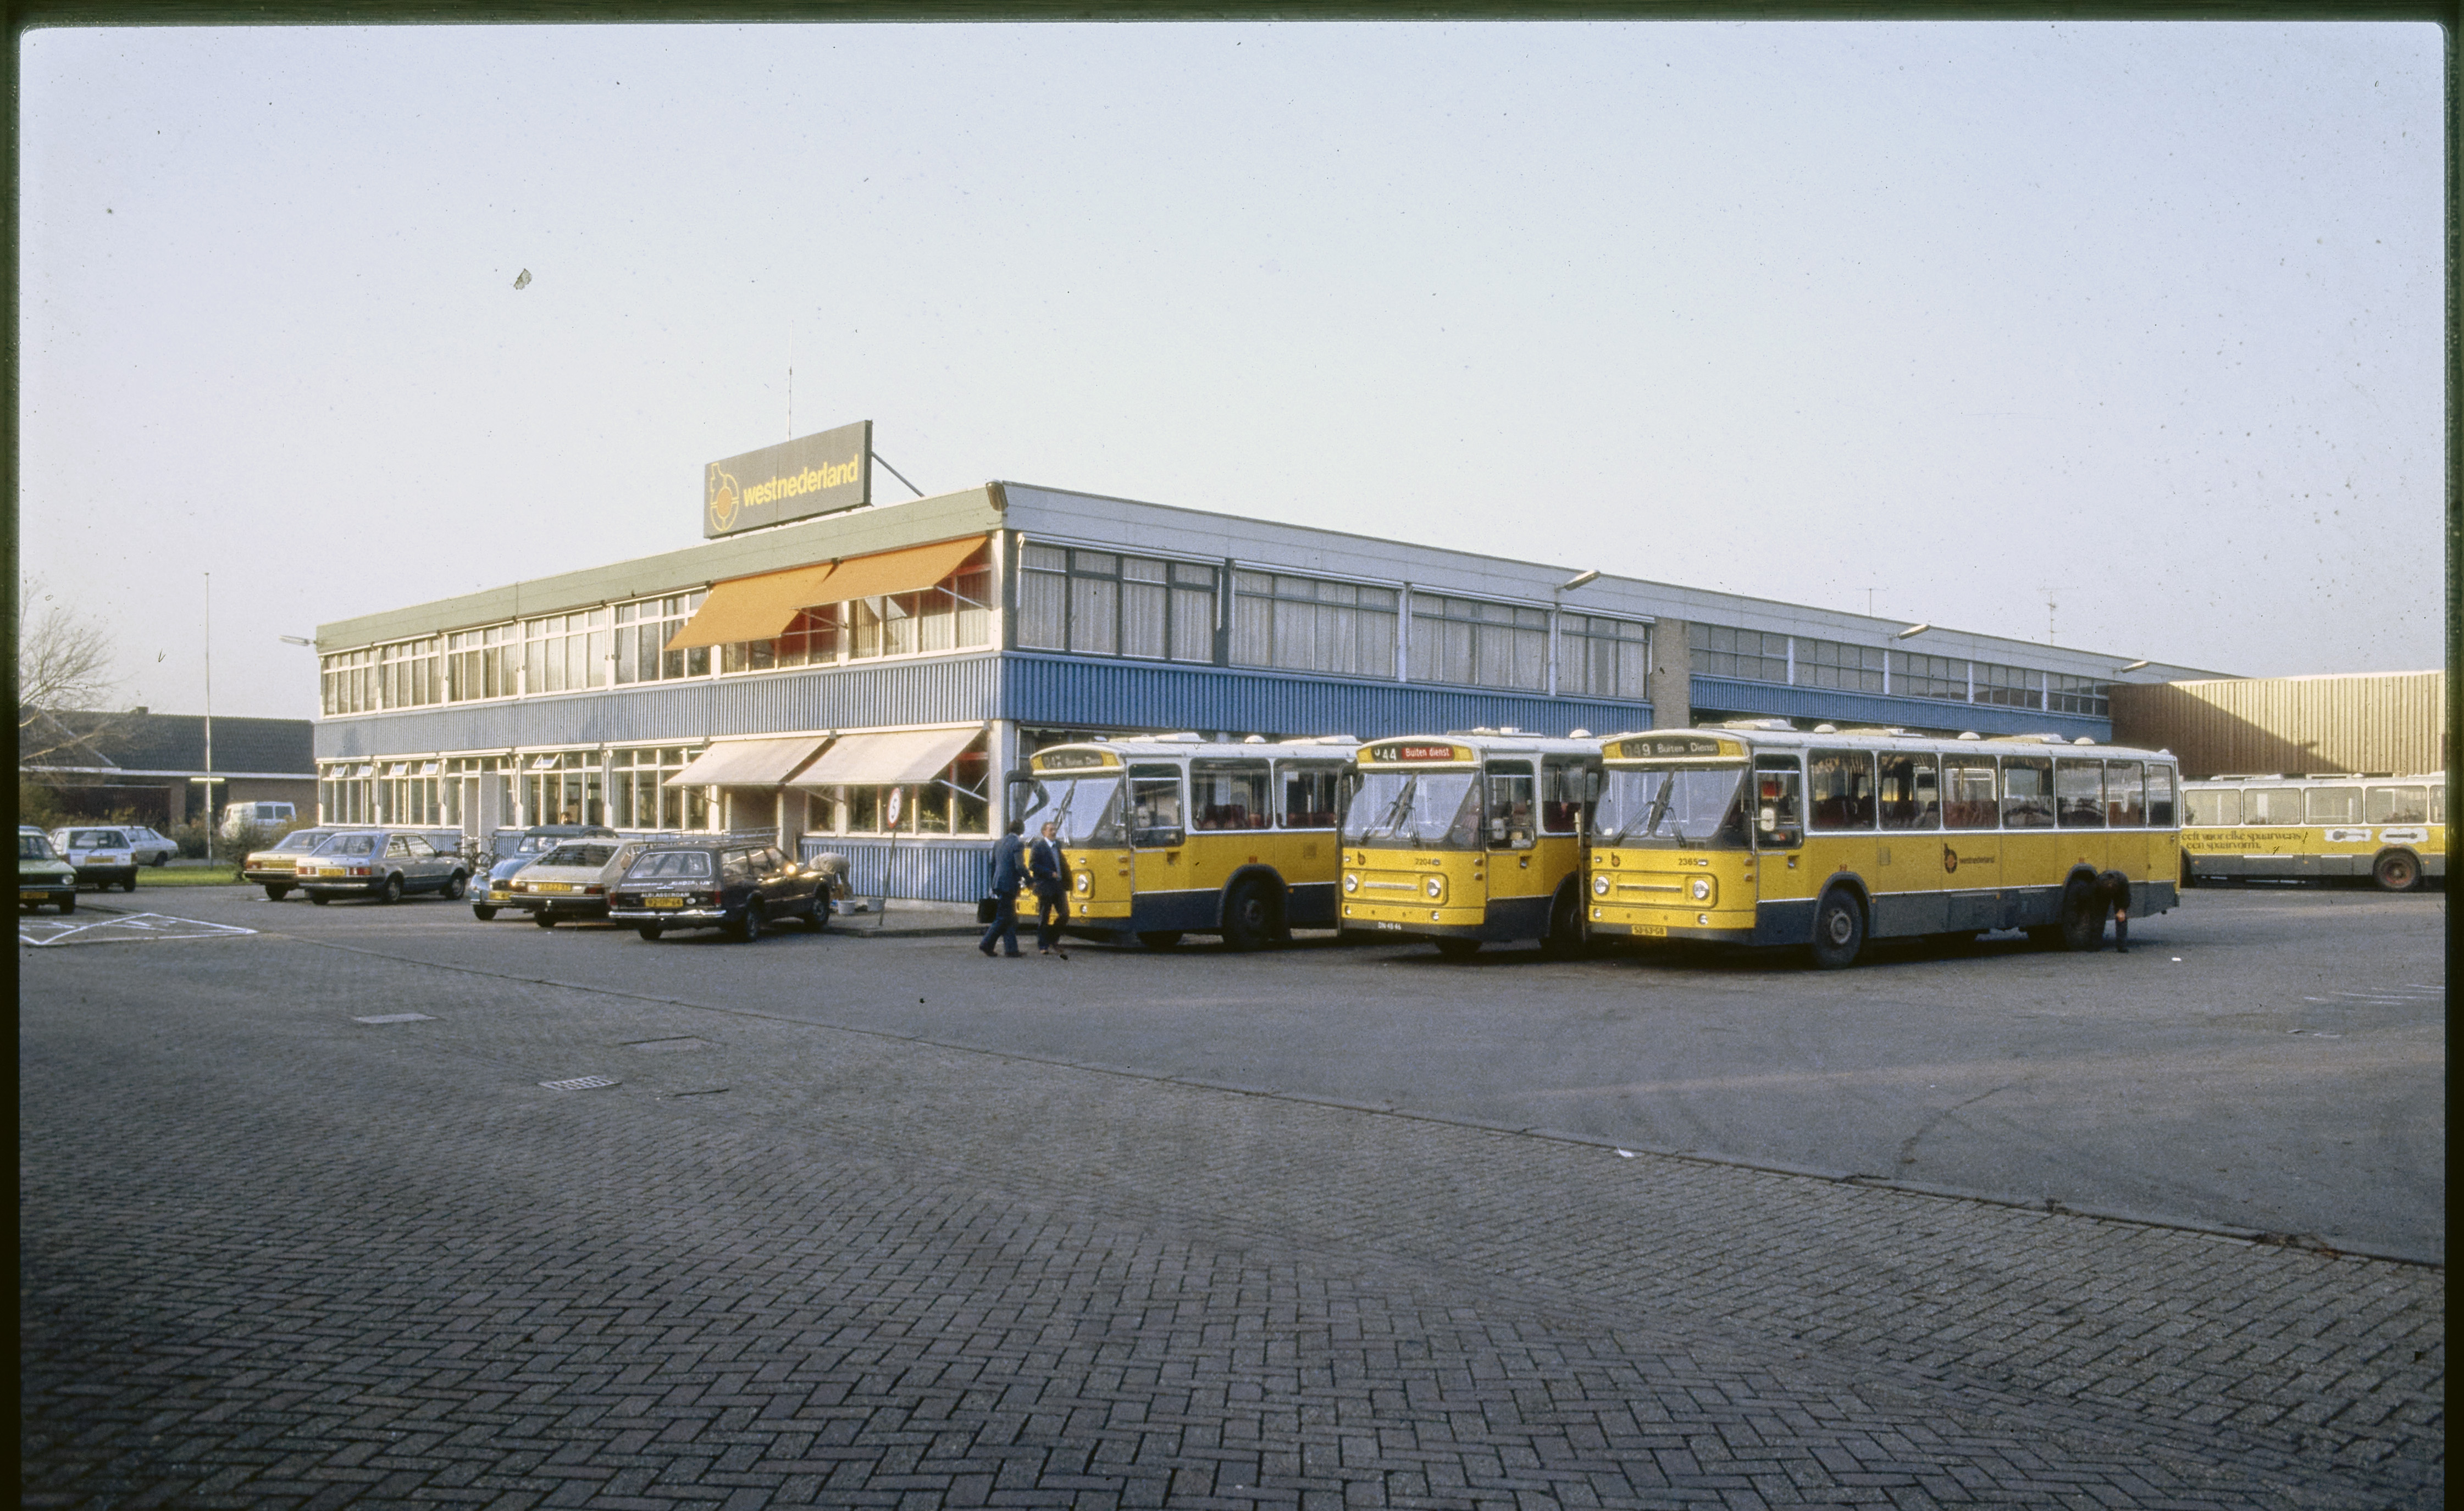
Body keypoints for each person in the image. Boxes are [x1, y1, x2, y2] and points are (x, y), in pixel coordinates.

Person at [978, 820, 1027, 958]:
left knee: (1009, 917)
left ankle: (1011, 949)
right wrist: (1029, 880)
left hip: (999, 883)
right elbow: (1019, 866)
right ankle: (986, 944)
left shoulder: (998, 843)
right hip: (1009, 885)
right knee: (1002, 918)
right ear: (1022, 831)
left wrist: (993, 884)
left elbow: (993, 865)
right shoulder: (1018, 844)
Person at [1028, 819, 1070, 959]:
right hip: (1045, 886)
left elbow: (1062, 864)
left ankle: (1053, 938)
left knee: (1065, 914)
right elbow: (1033, 865)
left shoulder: (1057, 845)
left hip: (1058, 886)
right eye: (1051, 830)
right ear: (1044, 832)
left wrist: (1067, 880)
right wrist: (1049, 873)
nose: (1054, 832)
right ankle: (1043, 945)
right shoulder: (1038, 846)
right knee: (1044, 916)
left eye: (1055, 829)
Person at [2098, 869, 2131, 953]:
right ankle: (2095, 944)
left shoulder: (2122, 881)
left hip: (2120, 894)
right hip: (2102, 894)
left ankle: (2122, 946)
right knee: (2099, 916)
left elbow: (2127, 898)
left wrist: (2122, 910)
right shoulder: (2099, 882)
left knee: (2121, 919)